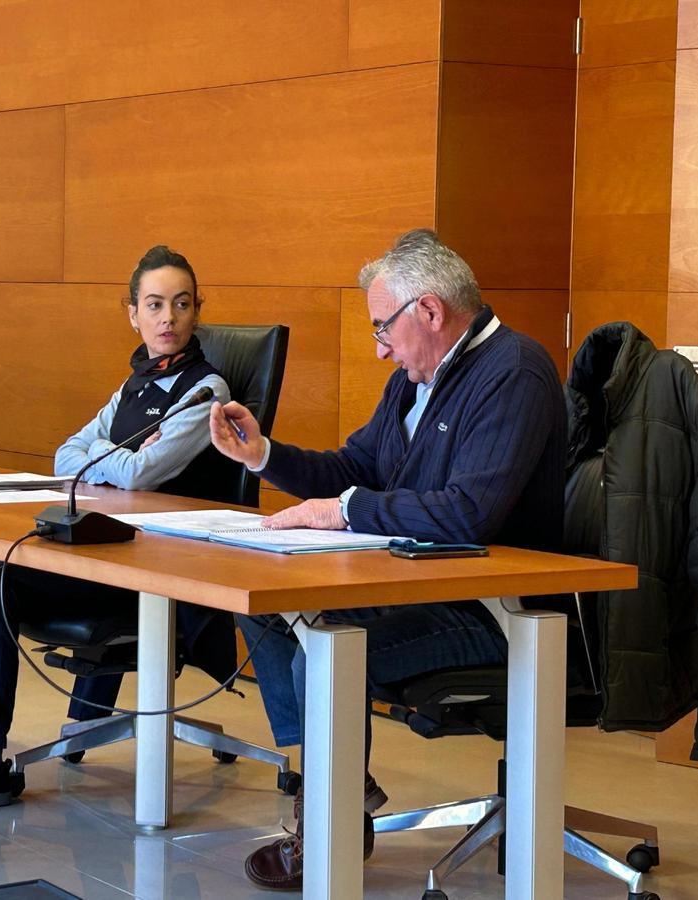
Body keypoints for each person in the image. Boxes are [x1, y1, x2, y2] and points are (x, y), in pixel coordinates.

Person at [208, 228, 566, 890]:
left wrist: (343, 510)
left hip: (492, 610)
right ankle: (339, 789)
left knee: (314, 640)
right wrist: (263, 455)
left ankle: (330, 811)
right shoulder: (415, 378)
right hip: (418, 584)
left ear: (428, 312)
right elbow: (357, 467)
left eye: (382, 328)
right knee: (261, 599)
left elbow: (467, 512)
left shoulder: (513, 372)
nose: (378, 349)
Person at [0, 245, 234, 814]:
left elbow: (139, 471)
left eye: (180, 305)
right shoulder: (132, 387)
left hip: (157, 570)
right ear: (133, 313)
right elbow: (64, 455)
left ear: (197, 310)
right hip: (103, 552)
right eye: (154, 305)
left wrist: (105, 457)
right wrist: (112, 453)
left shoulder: (207, 391)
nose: (167, 318)